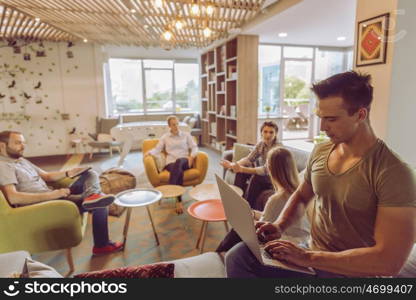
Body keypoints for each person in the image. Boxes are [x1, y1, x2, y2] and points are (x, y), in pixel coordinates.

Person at [225, 71, 416, 278]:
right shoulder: (321, 151)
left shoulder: (394, 174)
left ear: (360, 115)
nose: (323, 127)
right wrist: (280, 225)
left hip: (352, 272)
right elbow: (300, 196)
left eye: (331, 119)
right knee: (238, 257)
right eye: (321, 118)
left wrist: (307, 258)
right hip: (312, 254)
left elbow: (388, 262)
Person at [0, 131, 124, 256]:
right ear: (2, 146)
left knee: (90, 174)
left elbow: (47, 176)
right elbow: (13, 197)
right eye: (18, 143)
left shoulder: (20, 160)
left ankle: (92, 196)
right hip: (46, 204)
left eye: (23, 142)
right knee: (101, 203)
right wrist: (53, 195)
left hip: (54, 195)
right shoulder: (3, 166)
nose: (23, 146)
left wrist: (68, 172)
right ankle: (101, 245)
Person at [216, 146, 310, 253]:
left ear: (270, 168)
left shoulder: (276, 199)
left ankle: (218, 253)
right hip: (302, 242)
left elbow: (261, 229)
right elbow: (272, 218)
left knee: (238, 229)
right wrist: (253, 213)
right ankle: (219, 254)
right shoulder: (298, 193)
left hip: (287, 247)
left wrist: (246, 219)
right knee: (242, 224)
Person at [145, 115, 198, 214]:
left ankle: (170, 190)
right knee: (178, 169)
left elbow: (194, 147)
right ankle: (178, 201)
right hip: (170, 163)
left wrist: (191, 157)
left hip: (185, 161)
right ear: (169, 126)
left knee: (179, 162)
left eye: (177, 124)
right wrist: (149, 153)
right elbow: (158, 149)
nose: (176, 126)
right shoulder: (165, 137)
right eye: (173, 124)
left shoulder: (186, 135)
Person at [220, 121, 279, 209]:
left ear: (276, 134)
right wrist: (233, 165)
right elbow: (249, 159)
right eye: (265, 132)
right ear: (261, 133)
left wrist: (242, 169)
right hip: (264, 175)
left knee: (256, 177)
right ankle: (237, 200)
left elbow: (265, 170)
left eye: (271, 132)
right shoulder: (261, 144)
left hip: (273, 179)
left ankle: (247, 207)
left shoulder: (277, 148)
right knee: (240, 173)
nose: (268, 135)